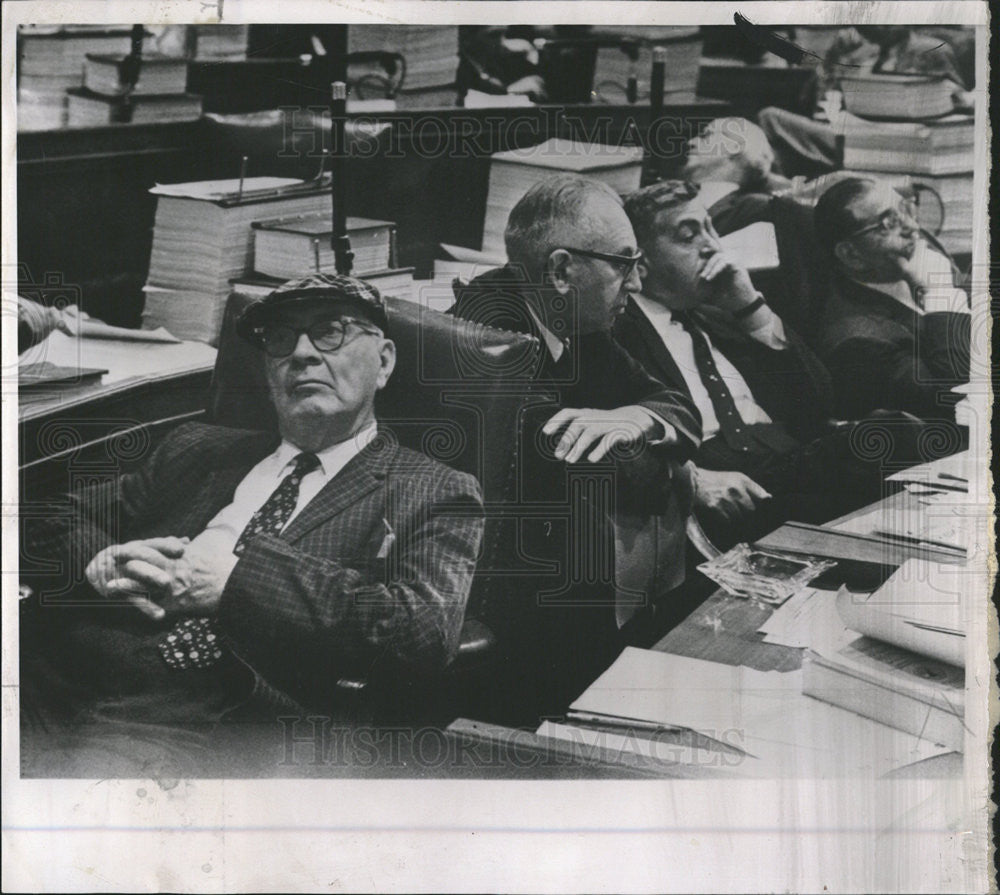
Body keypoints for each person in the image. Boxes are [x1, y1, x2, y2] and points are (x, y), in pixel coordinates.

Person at [20, 273, 484, 773]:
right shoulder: (198, 448)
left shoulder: (434, 489)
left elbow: (423, 632)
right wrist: (101, 559)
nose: (301, 354)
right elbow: (49, 514)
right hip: (50, 673)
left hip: (191, 719)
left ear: (385, 361)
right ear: (267, 370)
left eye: (330, 332)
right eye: (281, 340)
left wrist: (235, 582)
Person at [449, 174, 702, 714]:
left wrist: (637, 418)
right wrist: (664, 460)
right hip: (499, 598)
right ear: (563, 270)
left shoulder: (578, 320)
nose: (636, 284)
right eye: (624, 264)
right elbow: (597, 470)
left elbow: (682, 410)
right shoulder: (486, 338)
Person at [615, 180, 927, 546]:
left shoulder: (720, 315)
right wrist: (693, 477)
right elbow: (618, 441)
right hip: (731, 485)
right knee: (897, 437)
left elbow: (819, 401)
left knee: (902, 443)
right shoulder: (621, 335)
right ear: (643, 262)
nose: (712, 246)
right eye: (688, 236)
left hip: (786, 460)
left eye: (711, 229)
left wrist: (750, 309)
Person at [812, 176, 970, 420]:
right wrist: (940, 293)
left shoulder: (912, 250)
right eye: (888, 222)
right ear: (851, 255)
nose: (913, 227)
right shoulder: (857, 343)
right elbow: (960, 399)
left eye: (905, 208)